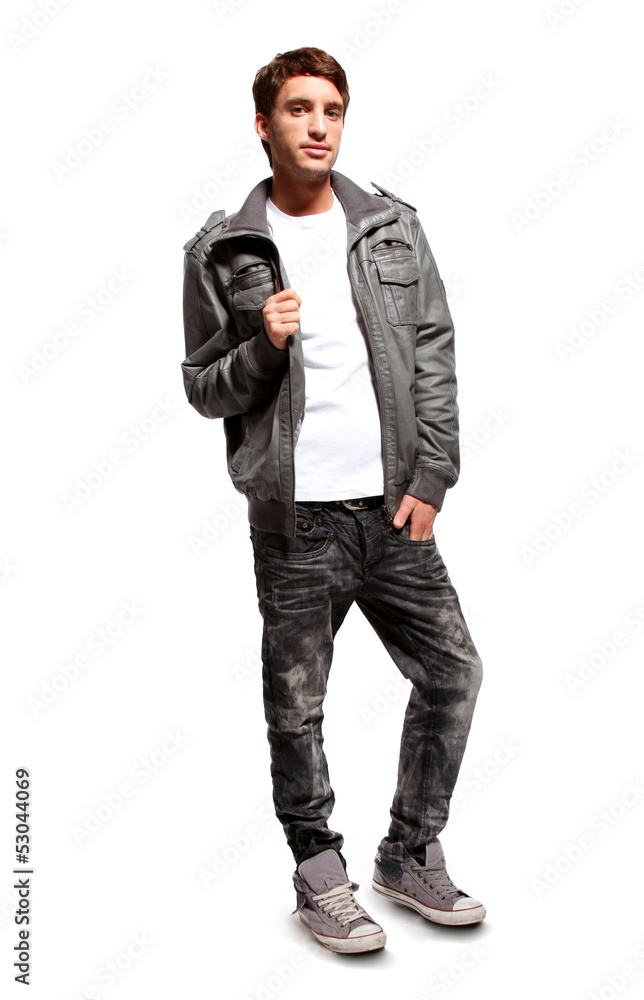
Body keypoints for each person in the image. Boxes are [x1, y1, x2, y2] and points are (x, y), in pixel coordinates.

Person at [181, 46, 485, 954]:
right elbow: (204, 388)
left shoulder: (391, 229)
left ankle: (409, 852)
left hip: (393, 512)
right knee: (298, 708)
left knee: (453, 673)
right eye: (300, 109)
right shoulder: (222, 252)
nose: (319, 125)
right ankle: (319, 874)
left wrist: (433, 476)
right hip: (296, 522)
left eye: (333, 110)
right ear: (264, 125)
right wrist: (263, 348)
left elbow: (433, 352)